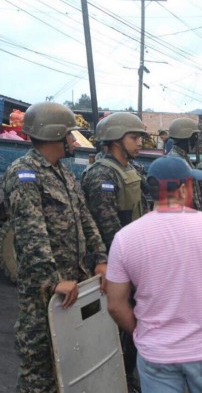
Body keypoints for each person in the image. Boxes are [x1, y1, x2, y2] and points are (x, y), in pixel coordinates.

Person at [106, 156, 202, 393]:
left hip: (156, 353)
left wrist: (141, 332)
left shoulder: (125, 238)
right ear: (181, 189)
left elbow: (116, 304)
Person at [2, 102, 107, 392]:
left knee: (71, 362)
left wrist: (100, 258)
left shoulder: (64, 173)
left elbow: (85, 217)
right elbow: (30, 232)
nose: (74, 141)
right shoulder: (24, 173)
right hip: (44, 292)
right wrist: (53, 281)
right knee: (39, 369)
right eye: (70, 135)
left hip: (75, 285)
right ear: (55, 135)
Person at [81, 111, 148, 392]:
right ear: (114, 140)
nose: (139, 143)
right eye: (134, 138)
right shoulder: (101, 174)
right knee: (119, 325)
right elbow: (108, 227)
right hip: (117, 262)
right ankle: (121, 380)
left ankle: (131, 375)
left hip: (136, 257)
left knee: (136, 321)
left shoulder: (131, 169)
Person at [165, 117, 202, 210]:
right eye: (194, 137)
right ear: (186, 137)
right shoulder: (175, 160)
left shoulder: (183, 157)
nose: (196, 141)